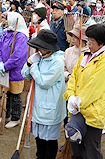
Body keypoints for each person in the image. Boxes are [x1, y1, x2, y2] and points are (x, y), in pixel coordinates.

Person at [63, 24, 105, 158]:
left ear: (101, 41)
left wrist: (78, 102)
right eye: (88, 39)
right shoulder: (85, 56)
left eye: (91, 40)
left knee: (91, 150)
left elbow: (95, 88)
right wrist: (70, 95)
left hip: (93, 112)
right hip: (78, 108)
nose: (88, 43)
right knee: (76, 145)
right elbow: (74, 76)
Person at [21, 29, 66, 159]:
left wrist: (33, 67)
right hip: (37, 105)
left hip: (50, 107)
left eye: (41, 47)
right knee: (39, 138)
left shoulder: (57, 62)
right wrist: (29, 62)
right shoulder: (39, 58)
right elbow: (25, 75)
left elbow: (44, 82)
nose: (39, 50)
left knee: (49, 140)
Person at [0, 12, 28, 128]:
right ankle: (6, 114)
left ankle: (15, 117)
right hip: (4, 70)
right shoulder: (6, 33)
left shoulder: (21, 36)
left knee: (15, 95)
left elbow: (18, 56)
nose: (4, 21)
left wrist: (7, 65)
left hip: (15, 71)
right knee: (6, 93)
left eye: (6, 19)